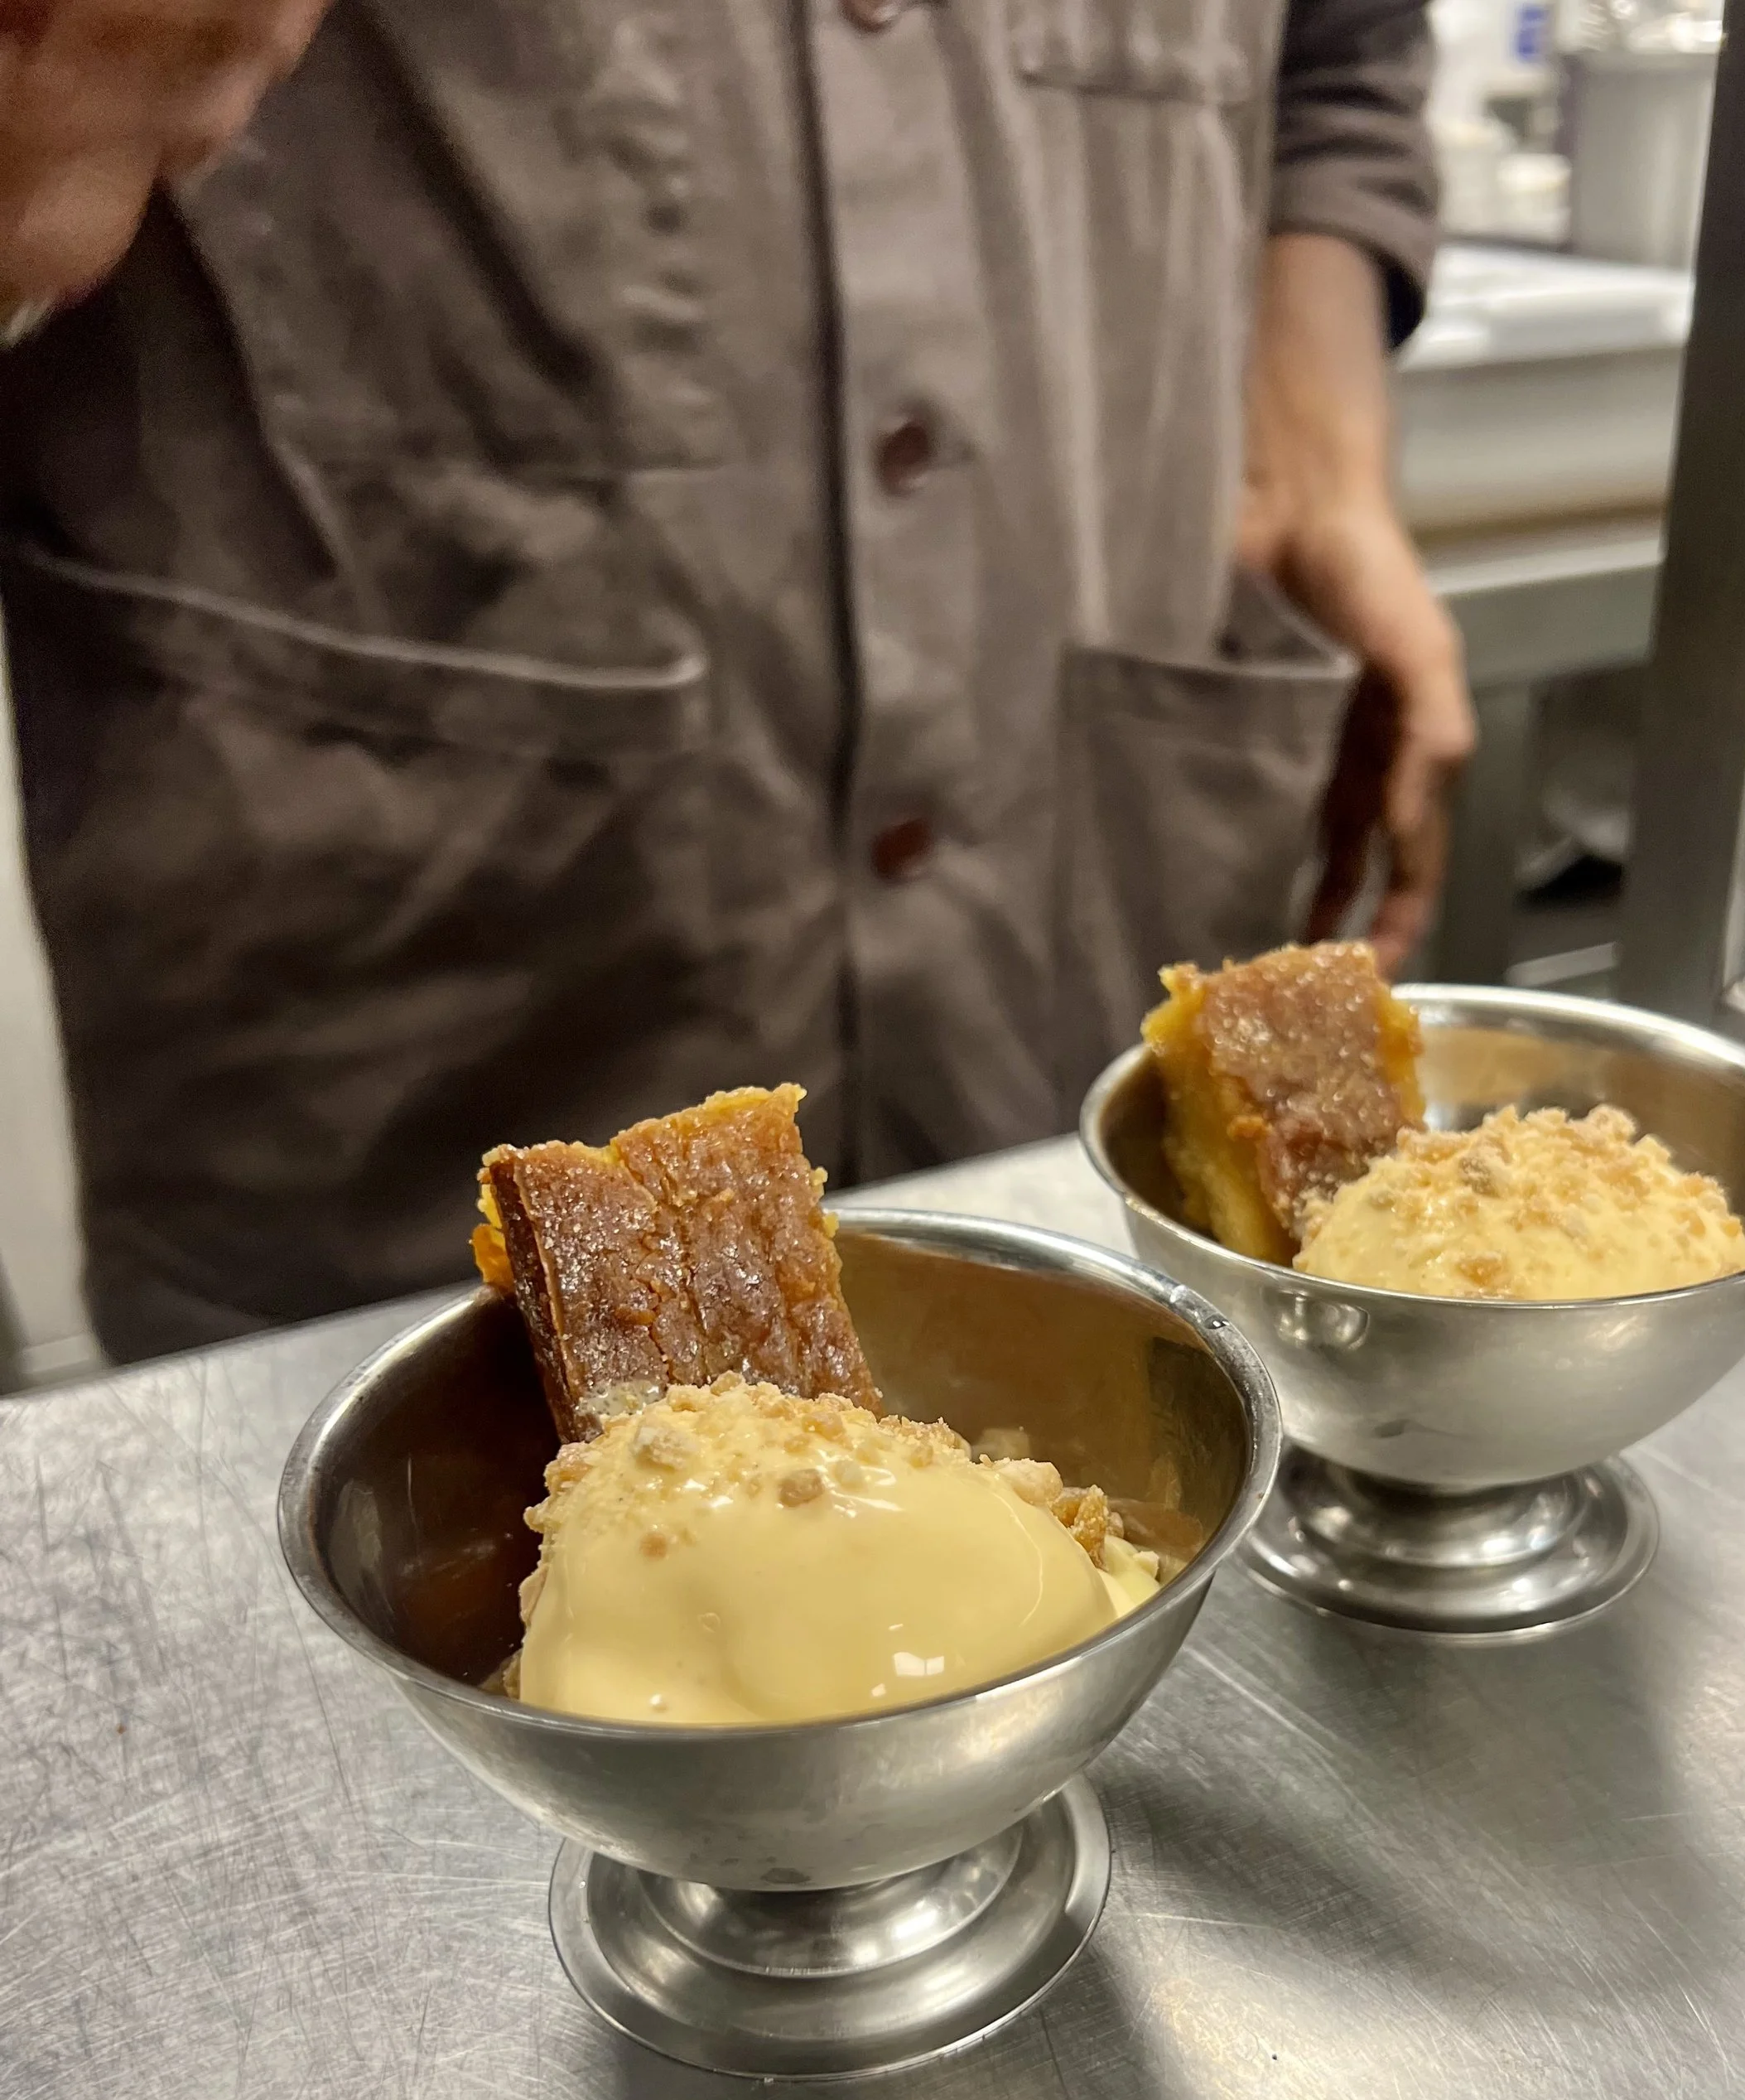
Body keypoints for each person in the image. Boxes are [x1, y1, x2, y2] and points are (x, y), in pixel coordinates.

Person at [0, 0, 1473, 1362]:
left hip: (1074, 889)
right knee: (416, 1547)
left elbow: (1342, 61)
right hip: (387, 1023)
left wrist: (1314, 470)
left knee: (1097, 1437)